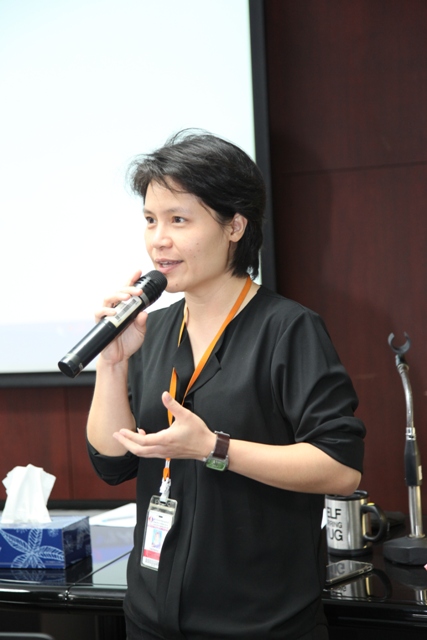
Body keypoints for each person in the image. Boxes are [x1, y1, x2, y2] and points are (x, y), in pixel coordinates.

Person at [86, 130, 365, 640]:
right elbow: (113, 462)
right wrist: (112, 363)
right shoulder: (153, 328)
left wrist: (214, 448)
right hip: (150, 618)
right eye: (150, 220)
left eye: (178, 220)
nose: (158, 239)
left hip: (260, 623)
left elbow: (340, 468)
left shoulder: (288, 329)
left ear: (234, 226)